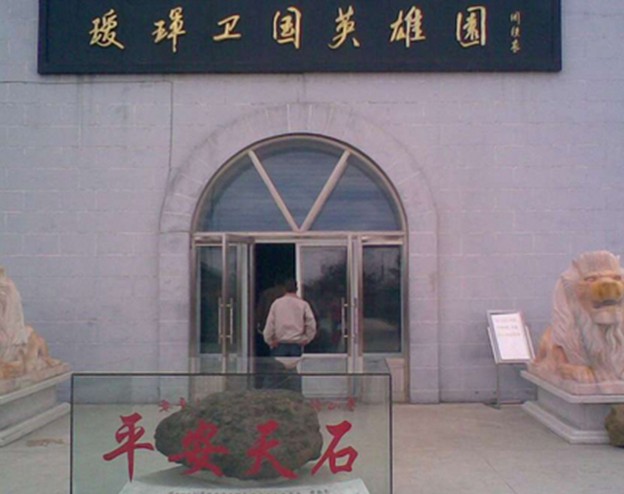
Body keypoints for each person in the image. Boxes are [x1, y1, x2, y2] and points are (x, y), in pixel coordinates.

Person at [263, 279, 316, 358]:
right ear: (296, 289)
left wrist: (269, 340)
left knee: (278, 366)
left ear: (284, 289)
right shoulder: (303, 304)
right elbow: (311, 323)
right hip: (296, 344)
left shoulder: (277, 304)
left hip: (279, 344)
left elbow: (270, 324)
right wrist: (307, 338)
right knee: (294, 365)